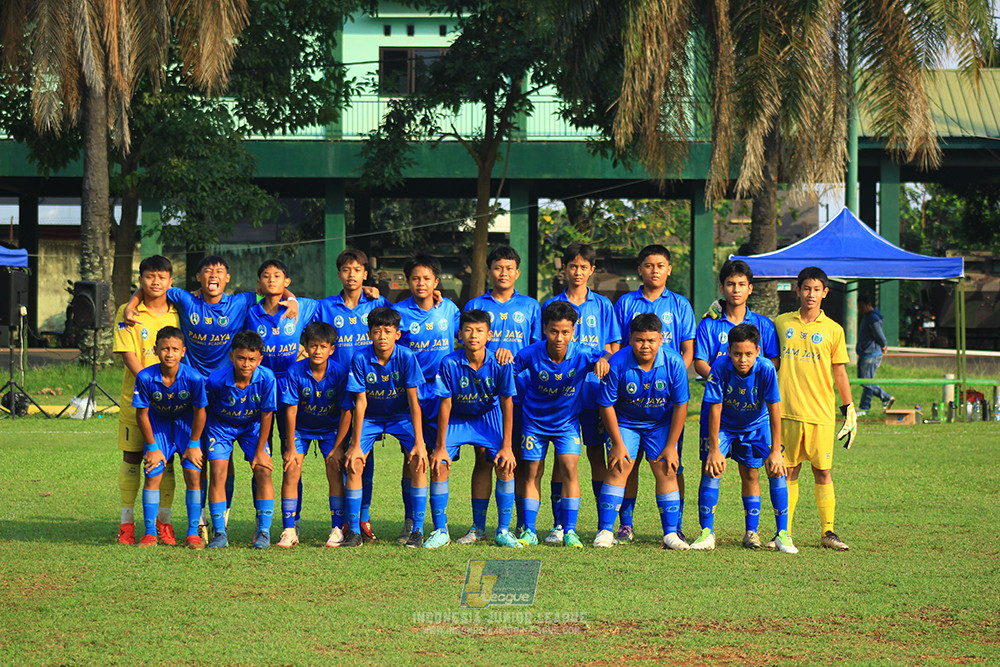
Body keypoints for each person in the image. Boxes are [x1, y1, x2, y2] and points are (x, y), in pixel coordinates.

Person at [612, 244, 696, 542]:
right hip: (631, 396)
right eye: (649, 265)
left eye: (661, 265)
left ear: (669, 269)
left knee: (671, 462)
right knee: (628, 463)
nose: (655, 270)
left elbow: (687, 350)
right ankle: (625, 524)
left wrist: (672, 379)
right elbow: (619, 349)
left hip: (667, 398)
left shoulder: (680, 304)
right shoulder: (625, 303)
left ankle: (675, 525)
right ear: (640, 269)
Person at [690, 323, 796, 553]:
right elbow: (715, 407)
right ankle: (706, 533)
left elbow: (775, 410)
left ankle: (780, 534)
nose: (742, 359)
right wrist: (714, 448)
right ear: (728, 351)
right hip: (725, 425)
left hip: (757, 425)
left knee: (775, 469)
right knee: (712, 468)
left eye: (748, 354)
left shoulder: (767, 369)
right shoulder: (719, 366)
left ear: (758, 351)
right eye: (737, 354)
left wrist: (776, 451)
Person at [460, 245, 541, 545]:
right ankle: (478, 527)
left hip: (520, 395)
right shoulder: (475, 304)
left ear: (517, 272)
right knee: (483, 460)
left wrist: (516, 364)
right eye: (498, 267)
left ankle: (521, 525)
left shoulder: (531, 306)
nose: (503, 273)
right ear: (489, 271)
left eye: (509, 268)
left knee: (517, 460)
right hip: (484, 397)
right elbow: (470, 344)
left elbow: (537, 351)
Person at [513, 301, 611, 548]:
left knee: (570, 469)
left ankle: (569, 530)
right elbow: (509, 373)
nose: (559, 337)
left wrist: (605, 359)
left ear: (574, 331)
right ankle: (529, 530)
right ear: (545, 329)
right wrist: (519, 395)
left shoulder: (582, 353)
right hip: (534, 423)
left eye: (565, 332)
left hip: (567, 424)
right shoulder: (530, 353)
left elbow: (607, 356)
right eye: (554, 331)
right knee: (533, 472)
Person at [541, 242, 621, 545]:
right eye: (572, 266)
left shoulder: (602, 306)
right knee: (564, 461)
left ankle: (604, 526)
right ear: (564, 269)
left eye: (583, 267)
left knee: (597, 456)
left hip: (596, 396)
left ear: (592, 270)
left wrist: (603, 360)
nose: (577, 272)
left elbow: (613, 348)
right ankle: (559, 525)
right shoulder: (552, 305)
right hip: (563, 397)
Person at [773, 267, 856, 551]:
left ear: (825, 293)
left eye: (816, 289)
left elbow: (840, 373)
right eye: (805, 288)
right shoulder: (781, 323)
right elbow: (768, 361)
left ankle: (828, 532)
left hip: (821, 413)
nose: (811, 294)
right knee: (789, 472)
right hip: (786, 412)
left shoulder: (834, 329)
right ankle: (784, 533)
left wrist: (849, 408)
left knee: (823, 472)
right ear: (797, 290)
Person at [594, 313, 689, 550]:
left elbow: (681, 406)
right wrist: (617, 443)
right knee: (620, 466)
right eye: (639, 340)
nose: (645, 346)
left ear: (661, 339)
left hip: (661, 424)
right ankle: (605, 531)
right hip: (626, 422)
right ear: (630, 339)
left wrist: (671, 446)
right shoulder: (617, 363)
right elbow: (606, 405)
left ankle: (670, 534)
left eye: (650, 340)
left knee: (667, 469)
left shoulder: (674, 362)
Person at [426, 309, 519, 548]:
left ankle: (501, 530)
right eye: (468, 330)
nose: (473, 336)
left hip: (488, 417)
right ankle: (440, 531)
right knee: (439, 465)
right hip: (458, 417)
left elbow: (508, 403)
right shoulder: (449, 362)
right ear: (459, 334)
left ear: (489, 335)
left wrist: (507, 447)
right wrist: (439, 447)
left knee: (505, 464)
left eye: (479, 331)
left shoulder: (501, 362)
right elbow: (445, 403)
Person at [319, 248, 392, 542]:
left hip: (370, 393)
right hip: (336, 393)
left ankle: (363, 519)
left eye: (357, 270)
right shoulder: (325, 307)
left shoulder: (378, 303)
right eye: (346, 270)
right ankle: (344, 521)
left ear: (365, 274)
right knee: (342, 460)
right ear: (339, 275)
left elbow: (401, 321)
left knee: (364, 459)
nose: (351, 275)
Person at [343, 307, 426, 548]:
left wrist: (420, 444)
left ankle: (417, 531)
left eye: (388, 331)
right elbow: (360, 402)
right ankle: (354, 531)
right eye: (377, 331)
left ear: (397, 335)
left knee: (418, 461)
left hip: (401, 417)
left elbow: (414, 402)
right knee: (354, 463)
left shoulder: (407, 357)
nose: (382, 336)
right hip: (370, 417)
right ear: (369, 334)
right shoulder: (360, 358)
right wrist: (356, 445)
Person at [113, 255, 181, 545]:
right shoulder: (127, 313)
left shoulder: (179, 313)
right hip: (136, 401)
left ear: (170, 281)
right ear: (140, 280)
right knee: (131, 458)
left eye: (162, 277)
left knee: (165, 462)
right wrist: (152, 387)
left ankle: (162, 523)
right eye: (150, 276)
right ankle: (126, 522)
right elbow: (129, 355)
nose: (156, 282)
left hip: (171, 404)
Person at [393, 254, 460, 543]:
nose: (421, 283)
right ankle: (412, 522)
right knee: (413, 458)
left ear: (436, 281)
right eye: (416, 278)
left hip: (444, 392)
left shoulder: (450, 309)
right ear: (408, 281)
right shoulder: (397, 311)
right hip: (412, 394)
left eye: (427, 278)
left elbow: (467, 336)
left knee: (441, 457)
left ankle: (440, 526)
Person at [277, 322, 353, 548]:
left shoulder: (339, 372)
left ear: (332, 348)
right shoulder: (295, 371)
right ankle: (289, 529)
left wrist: (339, 447)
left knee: (335, 469)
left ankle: (337, 528)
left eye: (323, 346)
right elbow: (290, 409)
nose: (317, 351)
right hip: (301, 428)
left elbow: (346, 410)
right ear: (306, 347)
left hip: (330, 429)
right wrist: (290, 446)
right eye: (313, 346)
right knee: (291, 469)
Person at [133, 327, 208, 548]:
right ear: (155, 350)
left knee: (193, 474)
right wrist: (152, 446)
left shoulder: (193, 377)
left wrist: (194, 444)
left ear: (183, 351)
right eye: (164, 349)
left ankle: (193, 534)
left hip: (186, 426)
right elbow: (142, 413)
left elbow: (200, 411)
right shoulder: (145, 377)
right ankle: (149, 533)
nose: (169, 354)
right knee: (153, 472)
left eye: (175, 349)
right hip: (158, 426)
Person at [202, 331, 278, 549]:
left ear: (259, 359)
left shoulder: (267, 378)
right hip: (221, 427)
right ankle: (219, 532)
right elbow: (203, 409)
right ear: (232, 356)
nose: (246, 364)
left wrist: (261, 450)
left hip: (252, 427)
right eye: (241, 358)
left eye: (252, 359)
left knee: (263, 469)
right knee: (218, 471)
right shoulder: (215, 379)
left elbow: (267, 414)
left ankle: (263, 531)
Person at [693, 260, 779, 379]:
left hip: (754, 393)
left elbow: (774, 361)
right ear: (722, 288)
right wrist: (720, 382)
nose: (736, 290)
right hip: (720, 394)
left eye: (741, 284)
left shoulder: (765, 324)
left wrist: (752, 381)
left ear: (750, 288)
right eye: (730, 284)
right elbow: (700, 363)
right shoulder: (707, 325)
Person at [856, 294, 894, 416]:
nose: (860, 310)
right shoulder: (868, 316)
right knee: (865, 381)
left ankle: (865, 407)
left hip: (871, 354)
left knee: (867, 382)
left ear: (868, 305)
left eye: (861, 307)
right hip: (866, 353)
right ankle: (883, 398)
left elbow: (879, 334)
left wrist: (884, 345)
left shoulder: (872, 318)